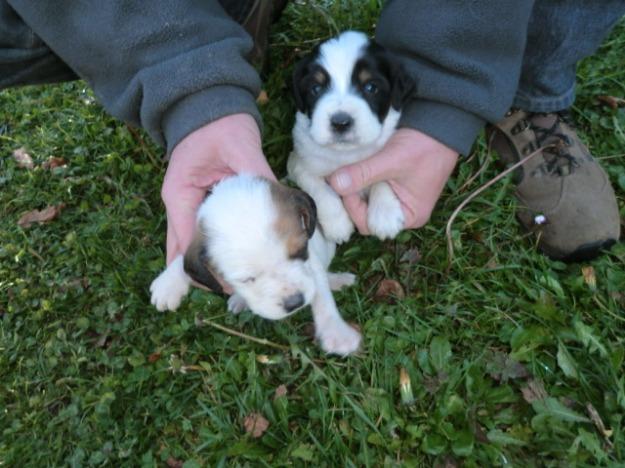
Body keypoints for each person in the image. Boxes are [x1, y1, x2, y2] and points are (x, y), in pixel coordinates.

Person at [1, 1, 621, 271]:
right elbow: (306, 163)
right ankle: (226, 10)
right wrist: (187, 84)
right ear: (302, 94)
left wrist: (447, 92)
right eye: (321, 90)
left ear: (395, 89)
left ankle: (527, 87)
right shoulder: (312, 129)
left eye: (368, 90)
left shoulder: (398, 97)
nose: (343, 112)